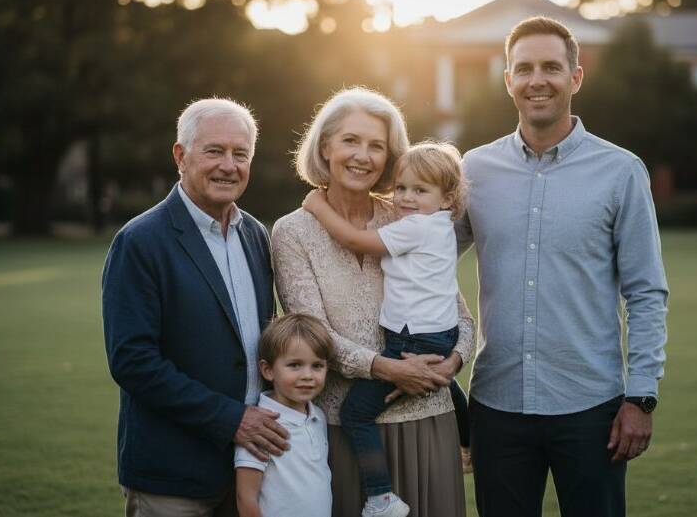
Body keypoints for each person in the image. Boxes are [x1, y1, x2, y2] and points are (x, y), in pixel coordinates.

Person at [456, 16, 669, 517]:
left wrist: (642, 397)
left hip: (592, 408)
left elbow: (645, 291)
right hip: (497, 407)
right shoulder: (474, 170)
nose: (537, 80)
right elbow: (423, 254)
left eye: (551, 67)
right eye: (524, 68)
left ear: (575, 76)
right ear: (508, 79)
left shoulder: (621, 172)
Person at [271, 87, 474, 517]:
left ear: (389, 157)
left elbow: (459, 315)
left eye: (376, 146)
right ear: (325, 146)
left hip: (428, 420)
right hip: (346, 430)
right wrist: (389, 368)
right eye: (350, 140)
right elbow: (314, 334)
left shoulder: (408, 213)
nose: (363, 155)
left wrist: (451, 363)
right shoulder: (293, 232)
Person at [102, 98, 289, 517]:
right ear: (180, 156)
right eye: (214, 151)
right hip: (172, 472)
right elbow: (132, 361)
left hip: (248, 470)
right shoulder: (141, 241)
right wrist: (231, 419)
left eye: (240, 154)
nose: (229, 165)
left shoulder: (255, 234)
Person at [235, 313, 334, 517]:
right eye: (294, 365)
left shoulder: (319, 417)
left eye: (317, 366)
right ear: (268, 370)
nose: (307, 375)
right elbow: (245, 498)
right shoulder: (261, 425)